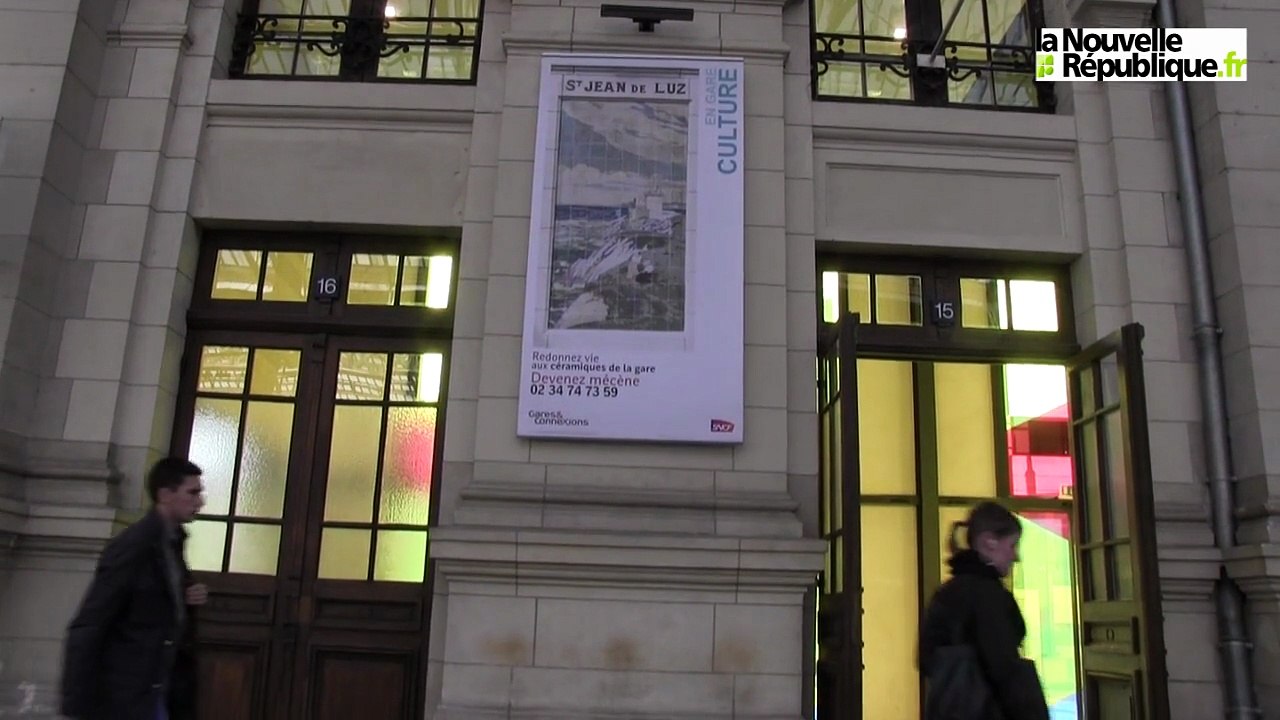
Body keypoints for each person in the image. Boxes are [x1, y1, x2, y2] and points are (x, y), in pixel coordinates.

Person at [61, 457, 209, 720]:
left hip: (159, 688)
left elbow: (160, 604)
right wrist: (75, 706)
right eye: (193, 492)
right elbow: (90, 624)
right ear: (165, 495)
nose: (200, 501)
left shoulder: (171, 543)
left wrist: (188, 595)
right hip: (130, 693)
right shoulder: (134, 547)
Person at [919, 501, 1050, 720]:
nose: (1016, 556)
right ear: (989, 542)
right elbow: (1005, 670)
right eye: (1012, 545)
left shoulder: (945, 594)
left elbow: (925, 660)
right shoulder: (989, 596)